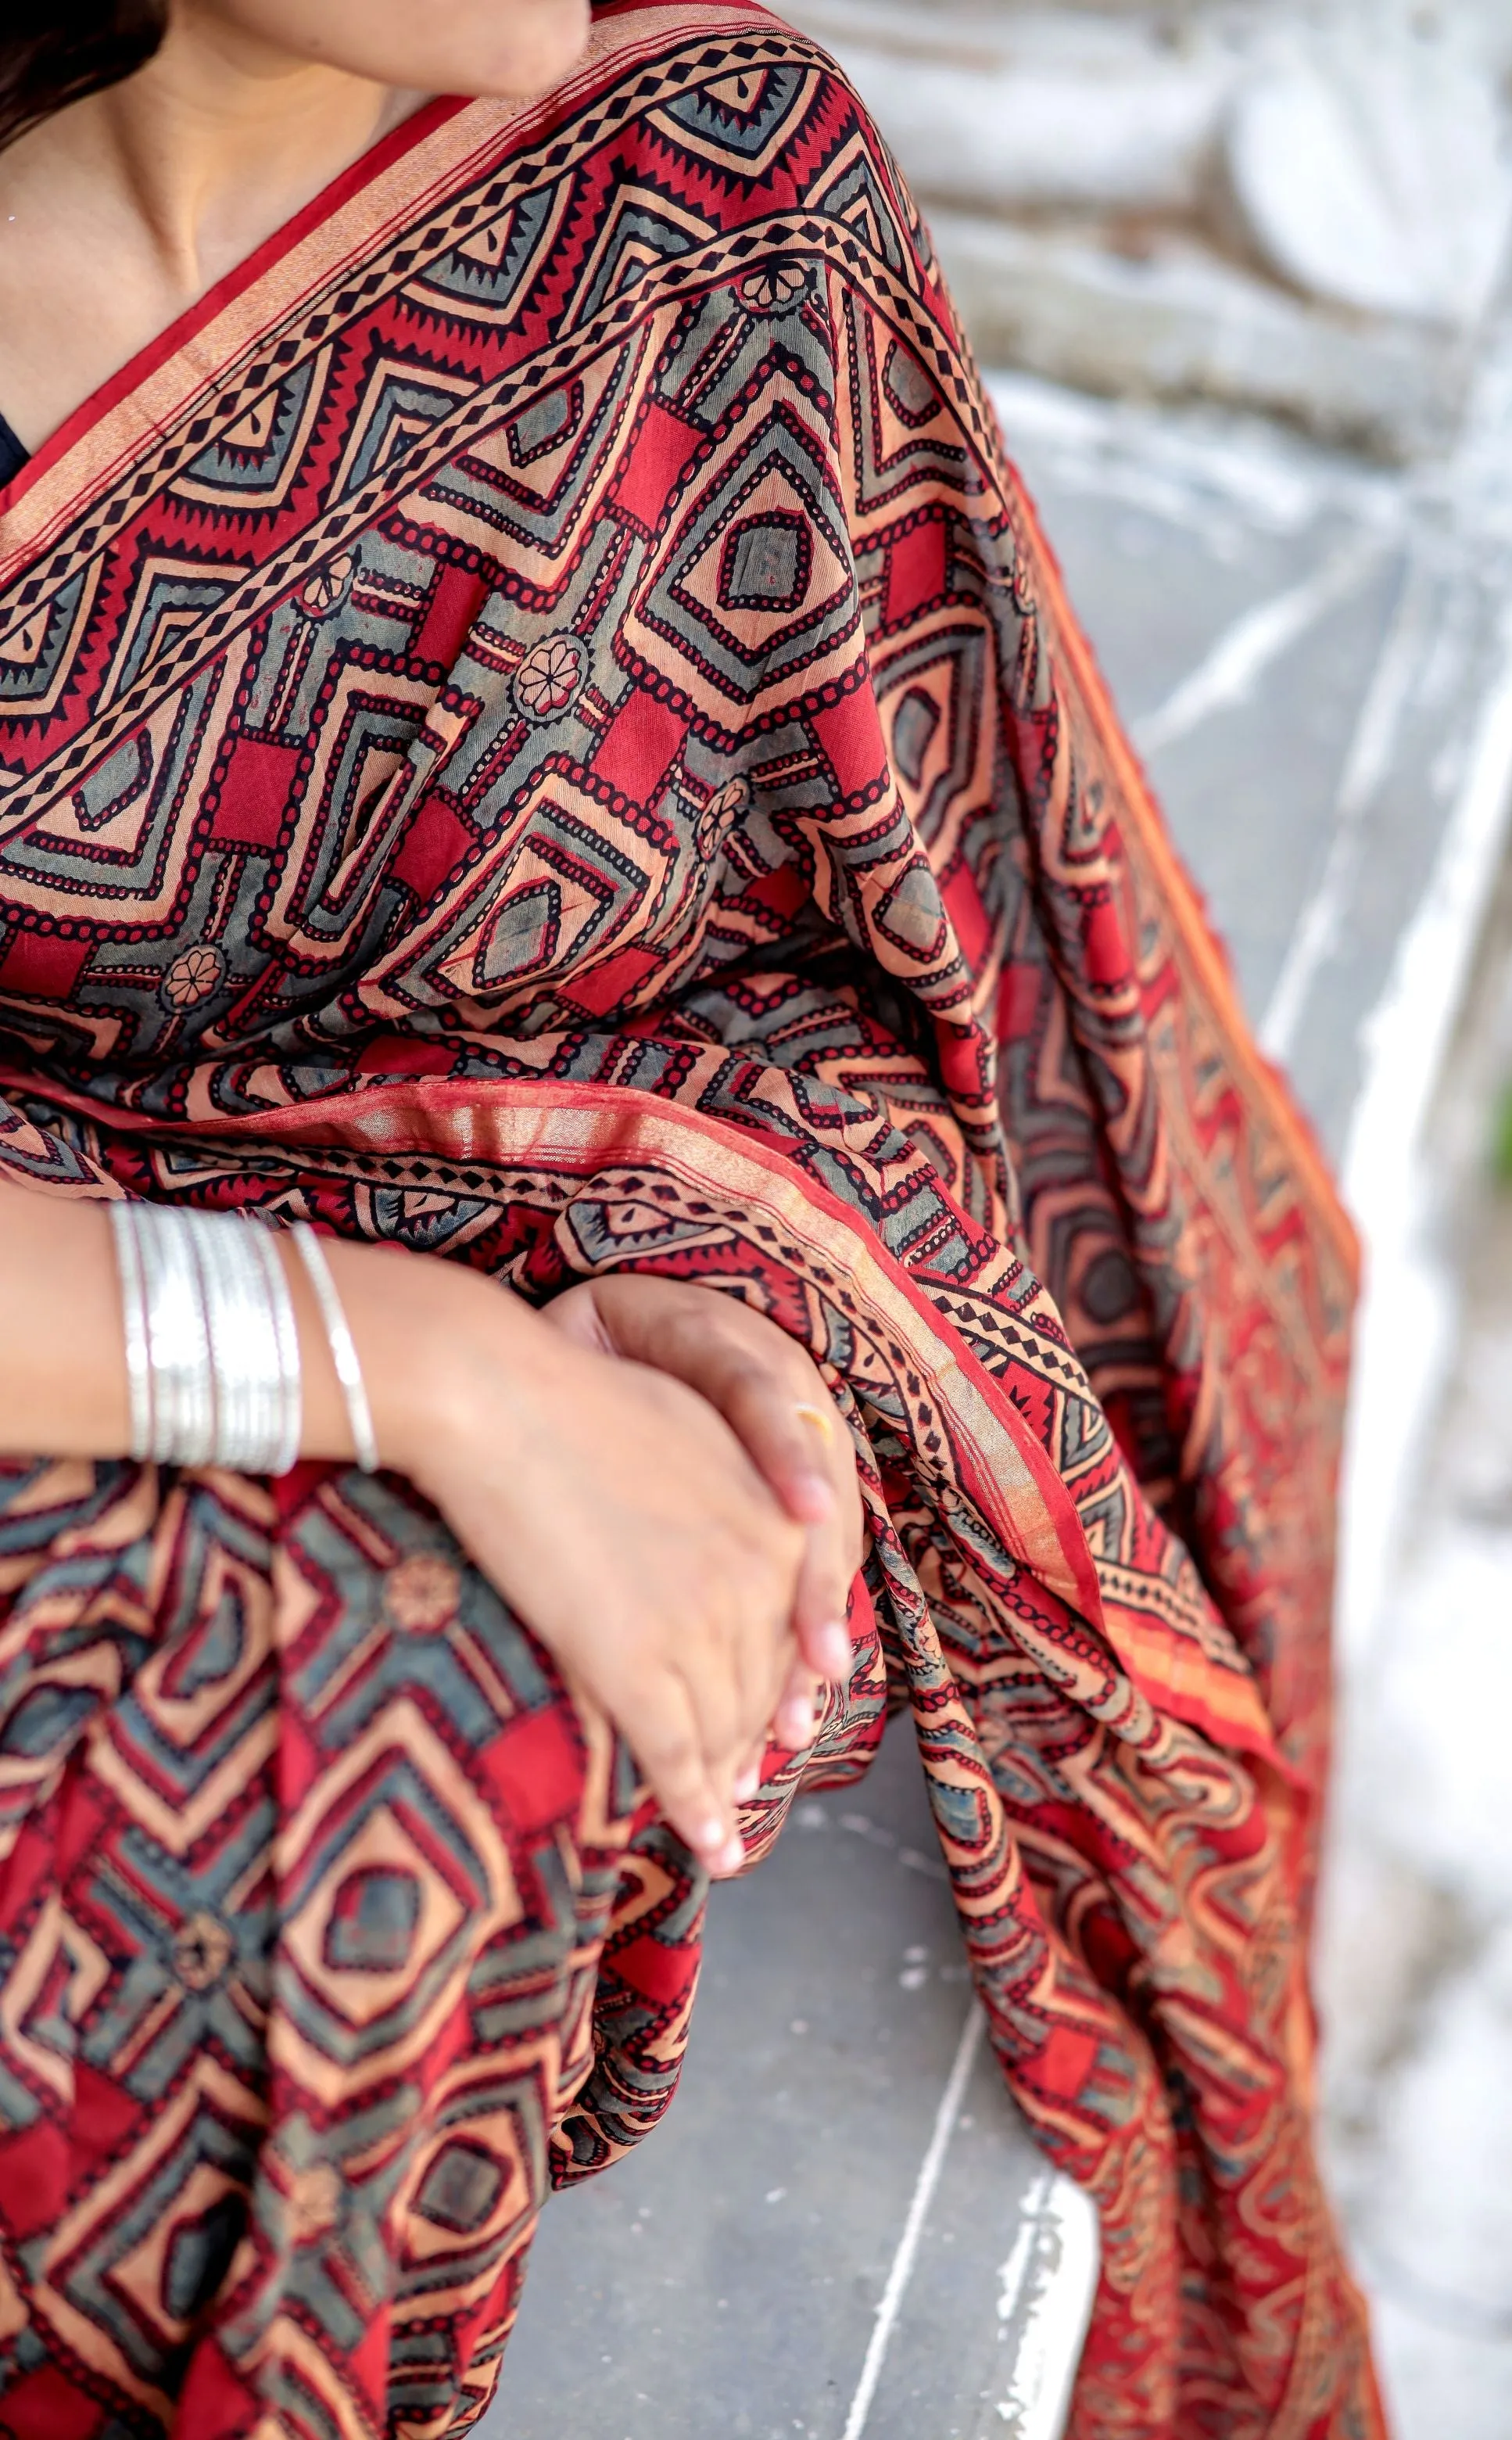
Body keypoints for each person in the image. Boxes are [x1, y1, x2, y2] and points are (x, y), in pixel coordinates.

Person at [0, 2, 1385, 2434]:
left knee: (433, 1714)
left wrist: (657, 1250)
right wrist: (418, 1362)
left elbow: (948, 964)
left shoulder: (706, 213)